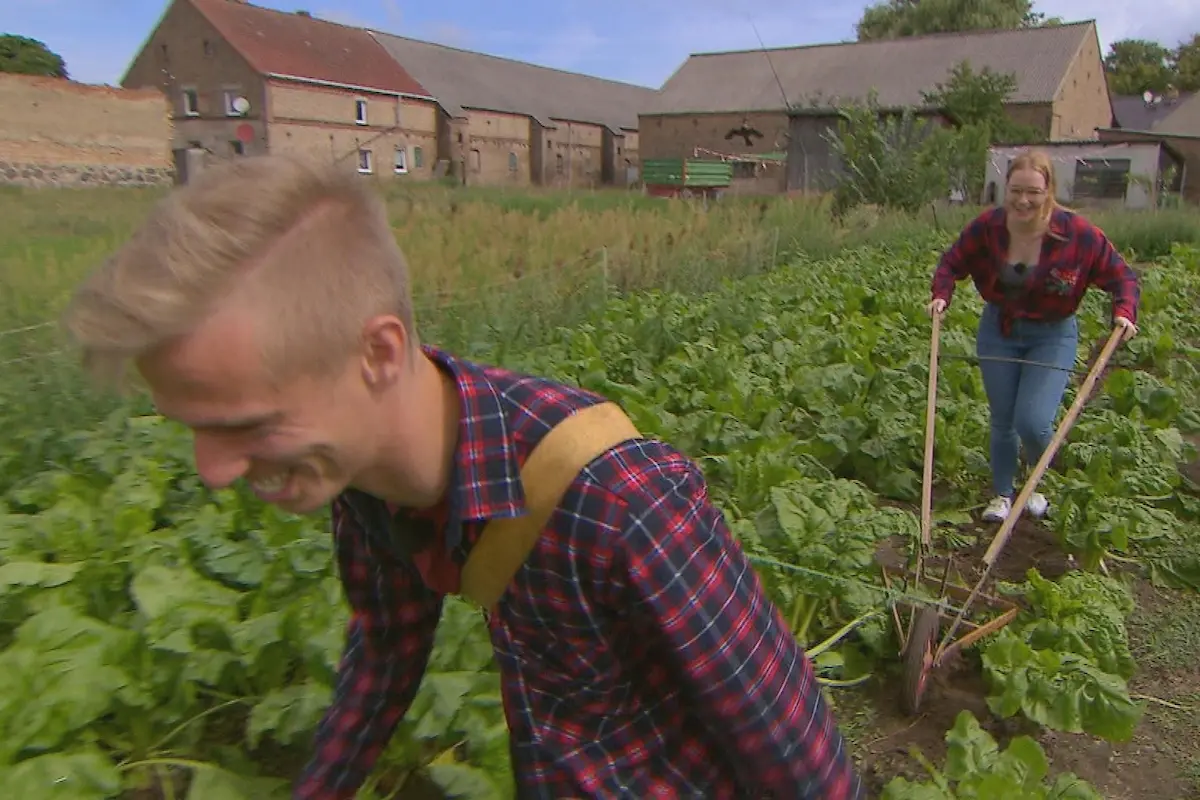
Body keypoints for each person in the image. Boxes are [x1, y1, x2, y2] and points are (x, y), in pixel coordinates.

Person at [62, 155, 864, 800]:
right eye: (194, 429)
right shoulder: (365, 477)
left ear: (377, 353)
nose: (211, 471)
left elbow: (799, 757)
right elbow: (387, 646)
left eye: (244, 425)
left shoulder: (620, 499)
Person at [926, 149, 1140, 523]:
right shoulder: (988, 228)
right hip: (999, 330)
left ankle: (1036, 483)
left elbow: (1122, 276)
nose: (1023, 200)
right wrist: (941, 295)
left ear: (1049, 191)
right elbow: (951, 261)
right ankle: (1003, 493)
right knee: (1003, 418)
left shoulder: (1077, 234)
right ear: (1005, 189)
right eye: (1016, 190)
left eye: (1034, 192)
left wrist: (1124, 314)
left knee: (1035, 421)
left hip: (1051, 335)